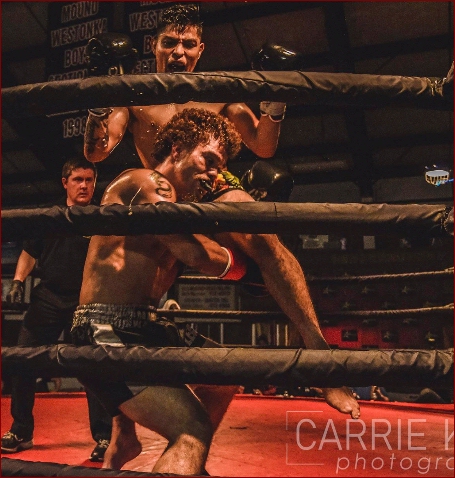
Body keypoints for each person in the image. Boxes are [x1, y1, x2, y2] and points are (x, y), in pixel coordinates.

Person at [71, 108, 247, 474]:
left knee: (227, 375)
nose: (214, 174)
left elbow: (187, 257)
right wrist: (247, 266)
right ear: (178, 149)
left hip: (144, 324)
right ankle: (186, 445)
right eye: (208, 160)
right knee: (191, 427)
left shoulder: (179, 207)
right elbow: (196, 253)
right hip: (104, 328)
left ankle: (175, 456)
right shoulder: (145, 181)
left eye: (220, 167)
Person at [1, 158, 113, 462]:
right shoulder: (50, 217)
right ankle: (21, 431)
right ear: (65, 182)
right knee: (22, 360)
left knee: (94, 367)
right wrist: (17, 282)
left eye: (89, 180)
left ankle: (105, 436)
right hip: (48, 299)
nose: (84, 186)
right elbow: (29, 252)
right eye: (78, 180)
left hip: (86, 303)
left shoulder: (101, 218)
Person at [83, 3, 286, 168]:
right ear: (154, 45)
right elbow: (96, 153)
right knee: (135, 181)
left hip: (209, 193)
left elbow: (263, 147)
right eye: (169, 42)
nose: (178, 52)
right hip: (161, 195)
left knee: (240, 199)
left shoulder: (217, 93)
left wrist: (276, 96)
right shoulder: (136, 97)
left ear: (200, 50)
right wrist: (100, 94)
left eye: (189, 44)